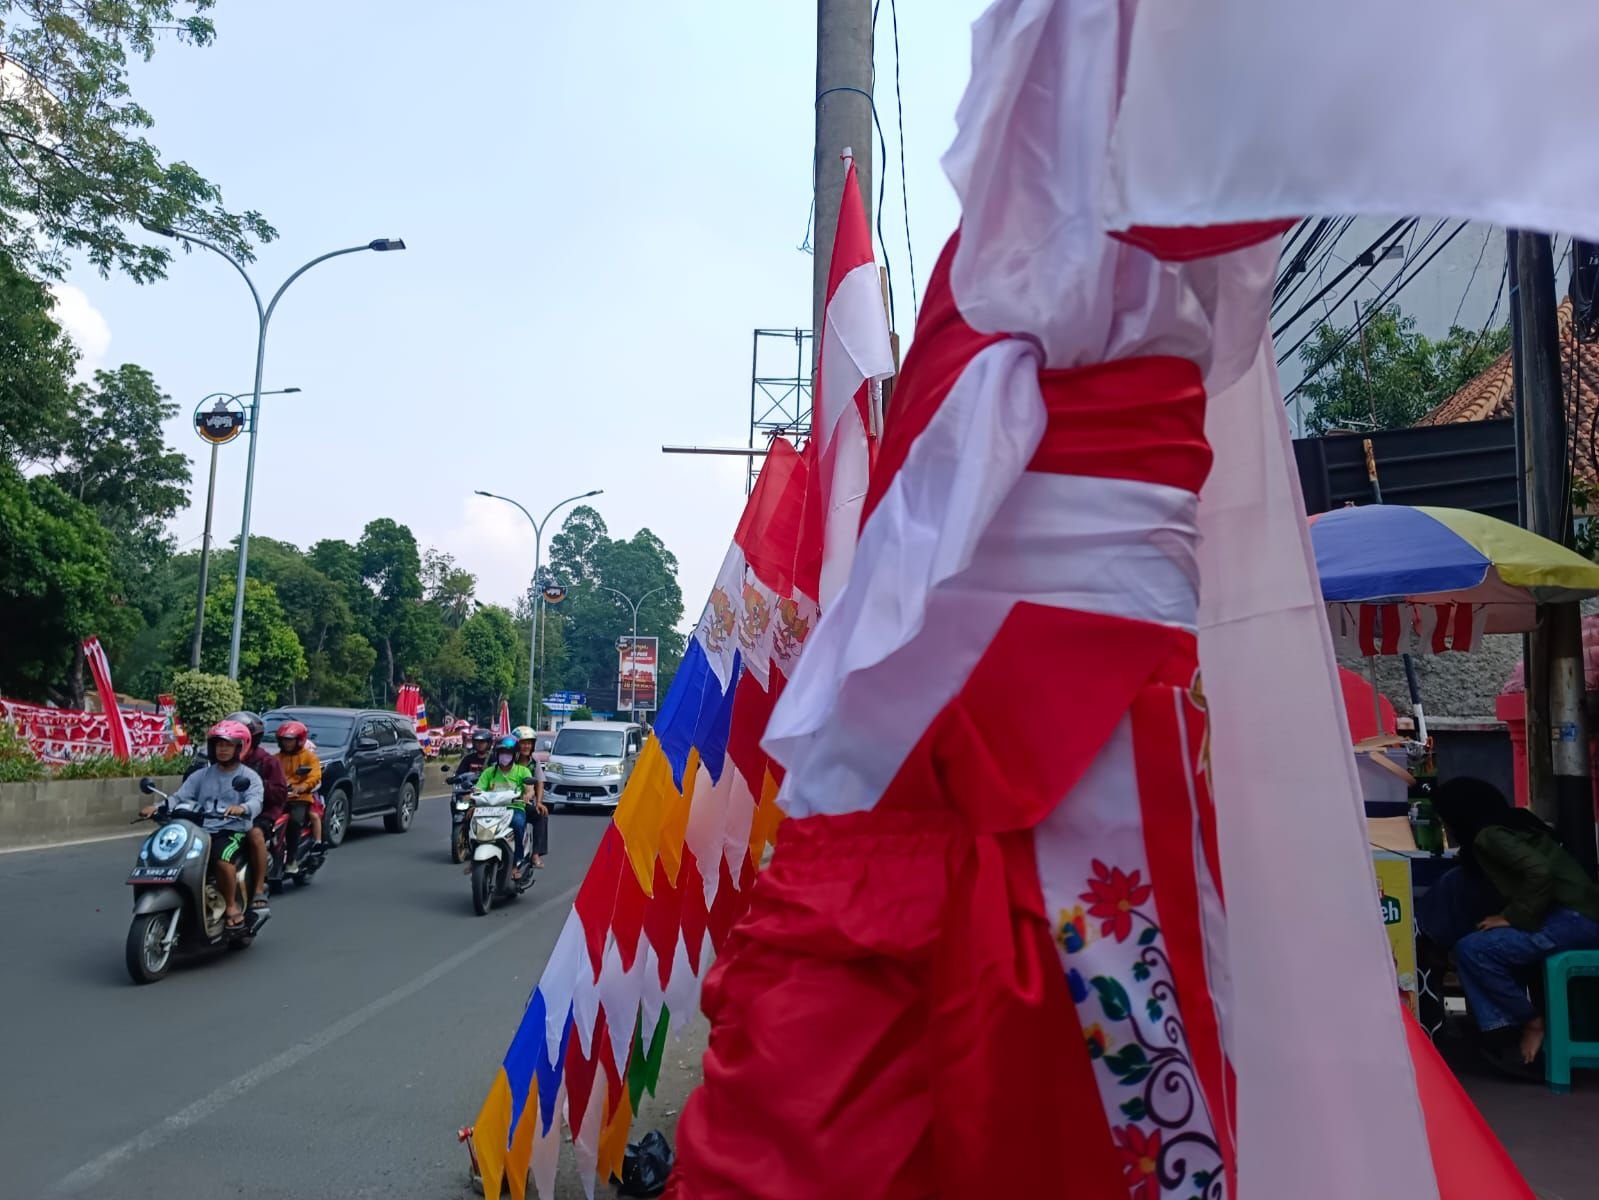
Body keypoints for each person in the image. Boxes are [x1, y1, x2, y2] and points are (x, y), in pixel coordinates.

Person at [1432, 776, 1599, 1068]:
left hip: (1577, 919)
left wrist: (1511, 917)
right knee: (1479, 940)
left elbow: (1539, 872)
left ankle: (1525, 1025)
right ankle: (1501, 1028)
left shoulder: (1490, 836)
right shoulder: (1512, 824)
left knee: (1473, 950)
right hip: (1576, 915)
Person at [140, 720, 263, 931]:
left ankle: (231, 906)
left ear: (240, 747)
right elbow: (179, 797)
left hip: (230, 830)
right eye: (218, 745)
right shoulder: (201, 775)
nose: (222, 750)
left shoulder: (249, 777)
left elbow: (256, 801)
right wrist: (157, 807)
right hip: (199, 829)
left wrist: (242, 808)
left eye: (228, 745)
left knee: (223, 860)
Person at [228, 710, 288, 923]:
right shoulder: (218, 759)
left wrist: (258, 786)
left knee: (254, 835)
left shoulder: (266, 761)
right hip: (221, 812)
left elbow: (280, 793)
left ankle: (260, 886)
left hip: (261, 812)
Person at [474, 735, 537, 879]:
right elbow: (478, 788)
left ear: (514, 755)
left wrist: (528, 794)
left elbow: (530, 788)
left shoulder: (523, 771)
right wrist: (472, 795)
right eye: (502, 752)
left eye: (508, 753)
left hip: (514, 808)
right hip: (490, 809)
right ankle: (473, 857)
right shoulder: (490, 771)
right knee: (472, 821)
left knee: (518, 824)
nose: (505, 756)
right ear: (497, 754)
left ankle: (517, 862)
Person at [274, 719, 322, 872]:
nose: (287, 744)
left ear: (299, 740)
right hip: (279, 797)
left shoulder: (309, 757)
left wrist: (302, 787)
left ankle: (291, 860)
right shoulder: (276, 758)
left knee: (294, 822)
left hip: (300, 799)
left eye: (290, 740)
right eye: (284, 740)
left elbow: (315, 776)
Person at [512, 725, 550, 869]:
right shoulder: (507, 761)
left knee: (541, 815)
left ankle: (536, 854)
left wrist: (539, 802)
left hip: (524, 803)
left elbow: (539, 782)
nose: (526, 746)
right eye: (523, 742)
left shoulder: (534, 763)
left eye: (529, 743)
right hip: (504, 803)